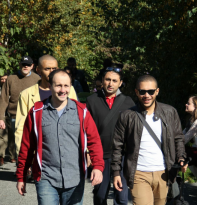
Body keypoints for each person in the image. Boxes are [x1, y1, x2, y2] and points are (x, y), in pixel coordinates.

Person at [16, 69, 105, 205]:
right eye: (58, 85)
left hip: (75, 178)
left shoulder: (82, 111)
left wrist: (98, 167)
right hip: (46, 178)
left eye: (66, 86)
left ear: (70, 87)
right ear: (50, 86)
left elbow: (94, 141)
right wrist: (21, 176)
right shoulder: (36, 112)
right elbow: (27, 146)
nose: (63, 90)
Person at [111, 75, 187, 205]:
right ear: (136, 92)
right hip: (138, 173)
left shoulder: (170, 112)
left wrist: (181, 158)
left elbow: (178, 138)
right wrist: (116, 172)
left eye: (151, 91)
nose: (147, 95)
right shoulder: (127, 116)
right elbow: (117, 146)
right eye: (142, 91)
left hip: (164, 173)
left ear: (157, 91)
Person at [86, 67, 135, 205]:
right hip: (100, 155)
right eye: (107, 79)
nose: (110, 83)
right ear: (102, 81)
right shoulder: (92, 100)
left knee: (121, 196)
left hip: (122, 156)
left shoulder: (128, 102)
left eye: (114, 80)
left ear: (120, 83)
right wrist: (88, 151)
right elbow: (85, 129)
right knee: (100, 195)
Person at [15, 55, 78, 158]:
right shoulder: (26, 95)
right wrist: (23, 156)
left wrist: (86, 151)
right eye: (47, 69)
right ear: (38, 70)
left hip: (67, 153)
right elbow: (21, 128)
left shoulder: (69, 91)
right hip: (39, 154)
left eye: (54, 69)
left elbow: (78, 121)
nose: (51, 72)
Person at [0, 56, 40, 163]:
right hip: (14, 116)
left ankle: (32, 167)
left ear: (32, 66)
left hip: (33, 116)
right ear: (20, 65)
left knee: (33, 143)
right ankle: (21, 167)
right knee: (19, 143)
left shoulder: (37, 79)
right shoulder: (11, 79)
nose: (25, 66)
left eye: (28, 65)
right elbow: (3, 99)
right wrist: (1, 118)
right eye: (23, 64)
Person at [0, 72, 9, 166]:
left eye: (5, 79)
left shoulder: (10, 87)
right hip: (1, 115)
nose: (4, 81)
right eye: (2, 79)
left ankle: (12, 155)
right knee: (2, 136)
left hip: (10, 114)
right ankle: (1, 156)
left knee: (10, 137)